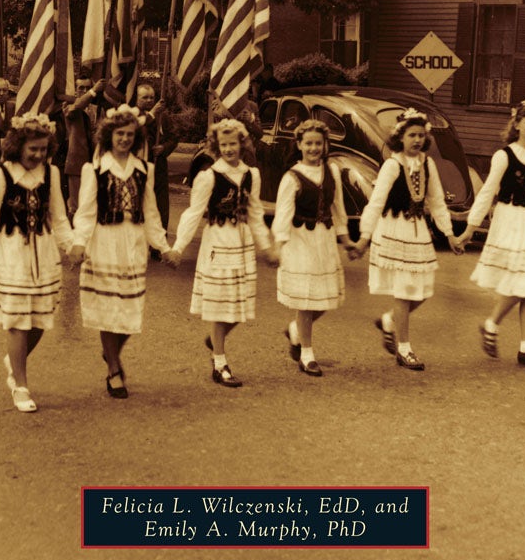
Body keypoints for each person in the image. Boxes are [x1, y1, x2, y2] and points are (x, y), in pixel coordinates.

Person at [0, 113, 74, 412]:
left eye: (43, 149)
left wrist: (72, 246)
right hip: (11, 254)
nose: (38, 155)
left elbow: (60, 218)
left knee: (40, 321)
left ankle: (14, 359)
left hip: (44, 253)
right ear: (17, 146)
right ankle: (20, 385)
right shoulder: (0, 176)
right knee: (17, 322)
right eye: (32, 149)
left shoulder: (50, 174)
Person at [70, 104, 173, 399]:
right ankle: (114, 368)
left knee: (129, 311)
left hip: (133, 243)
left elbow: (151, 212)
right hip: (104, 243)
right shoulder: (96, 169)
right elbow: (86, 211)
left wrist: (163, 247)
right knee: (107, 310)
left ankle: (111, 351)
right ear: (109, 135)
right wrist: (79, 242)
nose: (125, 139)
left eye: (130, 134)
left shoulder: (144, 170)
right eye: (119, 134)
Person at [168, 119, 278, 389]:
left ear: (242, 144)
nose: (229, 149)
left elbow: (254, 214)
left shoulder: (251, 174)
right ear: (217, 147)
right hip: (218, 243)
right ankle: (220, 362)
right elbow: (193, 212)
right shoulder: (209, 176)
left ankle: (215, 339)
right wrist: (178, 247)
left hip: (242, 245)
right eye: (224, 144)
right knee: (220, 307)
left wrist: (266, 246)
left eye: (233, 144)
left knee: (238, 309)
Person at [351, 107, 461, 371]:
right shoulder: (392, 165)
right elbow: (376, 202)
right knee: (404, 292)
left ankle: (389, 321)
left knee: (422, 291)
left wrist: (450, 234)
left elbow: (435, 201)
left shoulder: (428, 164)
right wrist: (364, 236)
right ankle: (404, 349)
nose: (417, 140)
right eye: (412, 135)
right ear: (400, 137)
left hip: (417, 231)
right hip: (393, 230)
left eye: (421, 135)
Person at [458, 98, 525, 370]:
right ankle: (491, 323)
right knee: (521, 281)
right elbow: (487, 192)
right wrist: (470, 228)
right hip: (510, 221)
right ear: (516, 124)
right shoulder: (503, 155)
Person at [272, 119, 354, 378]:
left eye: (318, 143)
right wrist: (278, 244)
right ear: (299, 145)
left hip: (324, 240)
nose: (314, 148)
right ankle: (307, 354)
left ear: (325, 144)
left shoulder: (332, 171)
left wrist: (347, 240)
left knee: (324, 300)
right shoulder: (292, 177)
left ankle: (296, 331)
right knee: (306, 301)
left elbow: (338, 209)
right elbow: (282, 215)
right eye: (308, 143)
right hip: (300, 242)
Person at [134, 79, 179, 253]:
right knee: (139, 204)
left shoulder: (163, 116)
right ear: (137, 99)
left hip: (158, 165)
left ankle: (158, 246)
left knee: (161, 206)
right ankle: (137, 242)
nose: (149, 100)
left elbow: (174, 137)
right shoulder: (133, 115)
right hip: (140, 165)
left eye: (152, 97)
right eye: (144, 97)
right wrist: (152, 113)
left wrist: (164, 148)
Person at [63, 76, 106, 219]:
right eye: (81, 88)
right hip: (77, 163)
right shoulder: (69, 107)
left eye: (88, 87)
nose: (84, 90)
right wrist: (93, 91)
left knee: (93, 204)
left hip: (96, 162)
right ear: (75, 91)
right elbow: (76, 108)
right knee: (75, 206)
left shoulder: (98, 110)